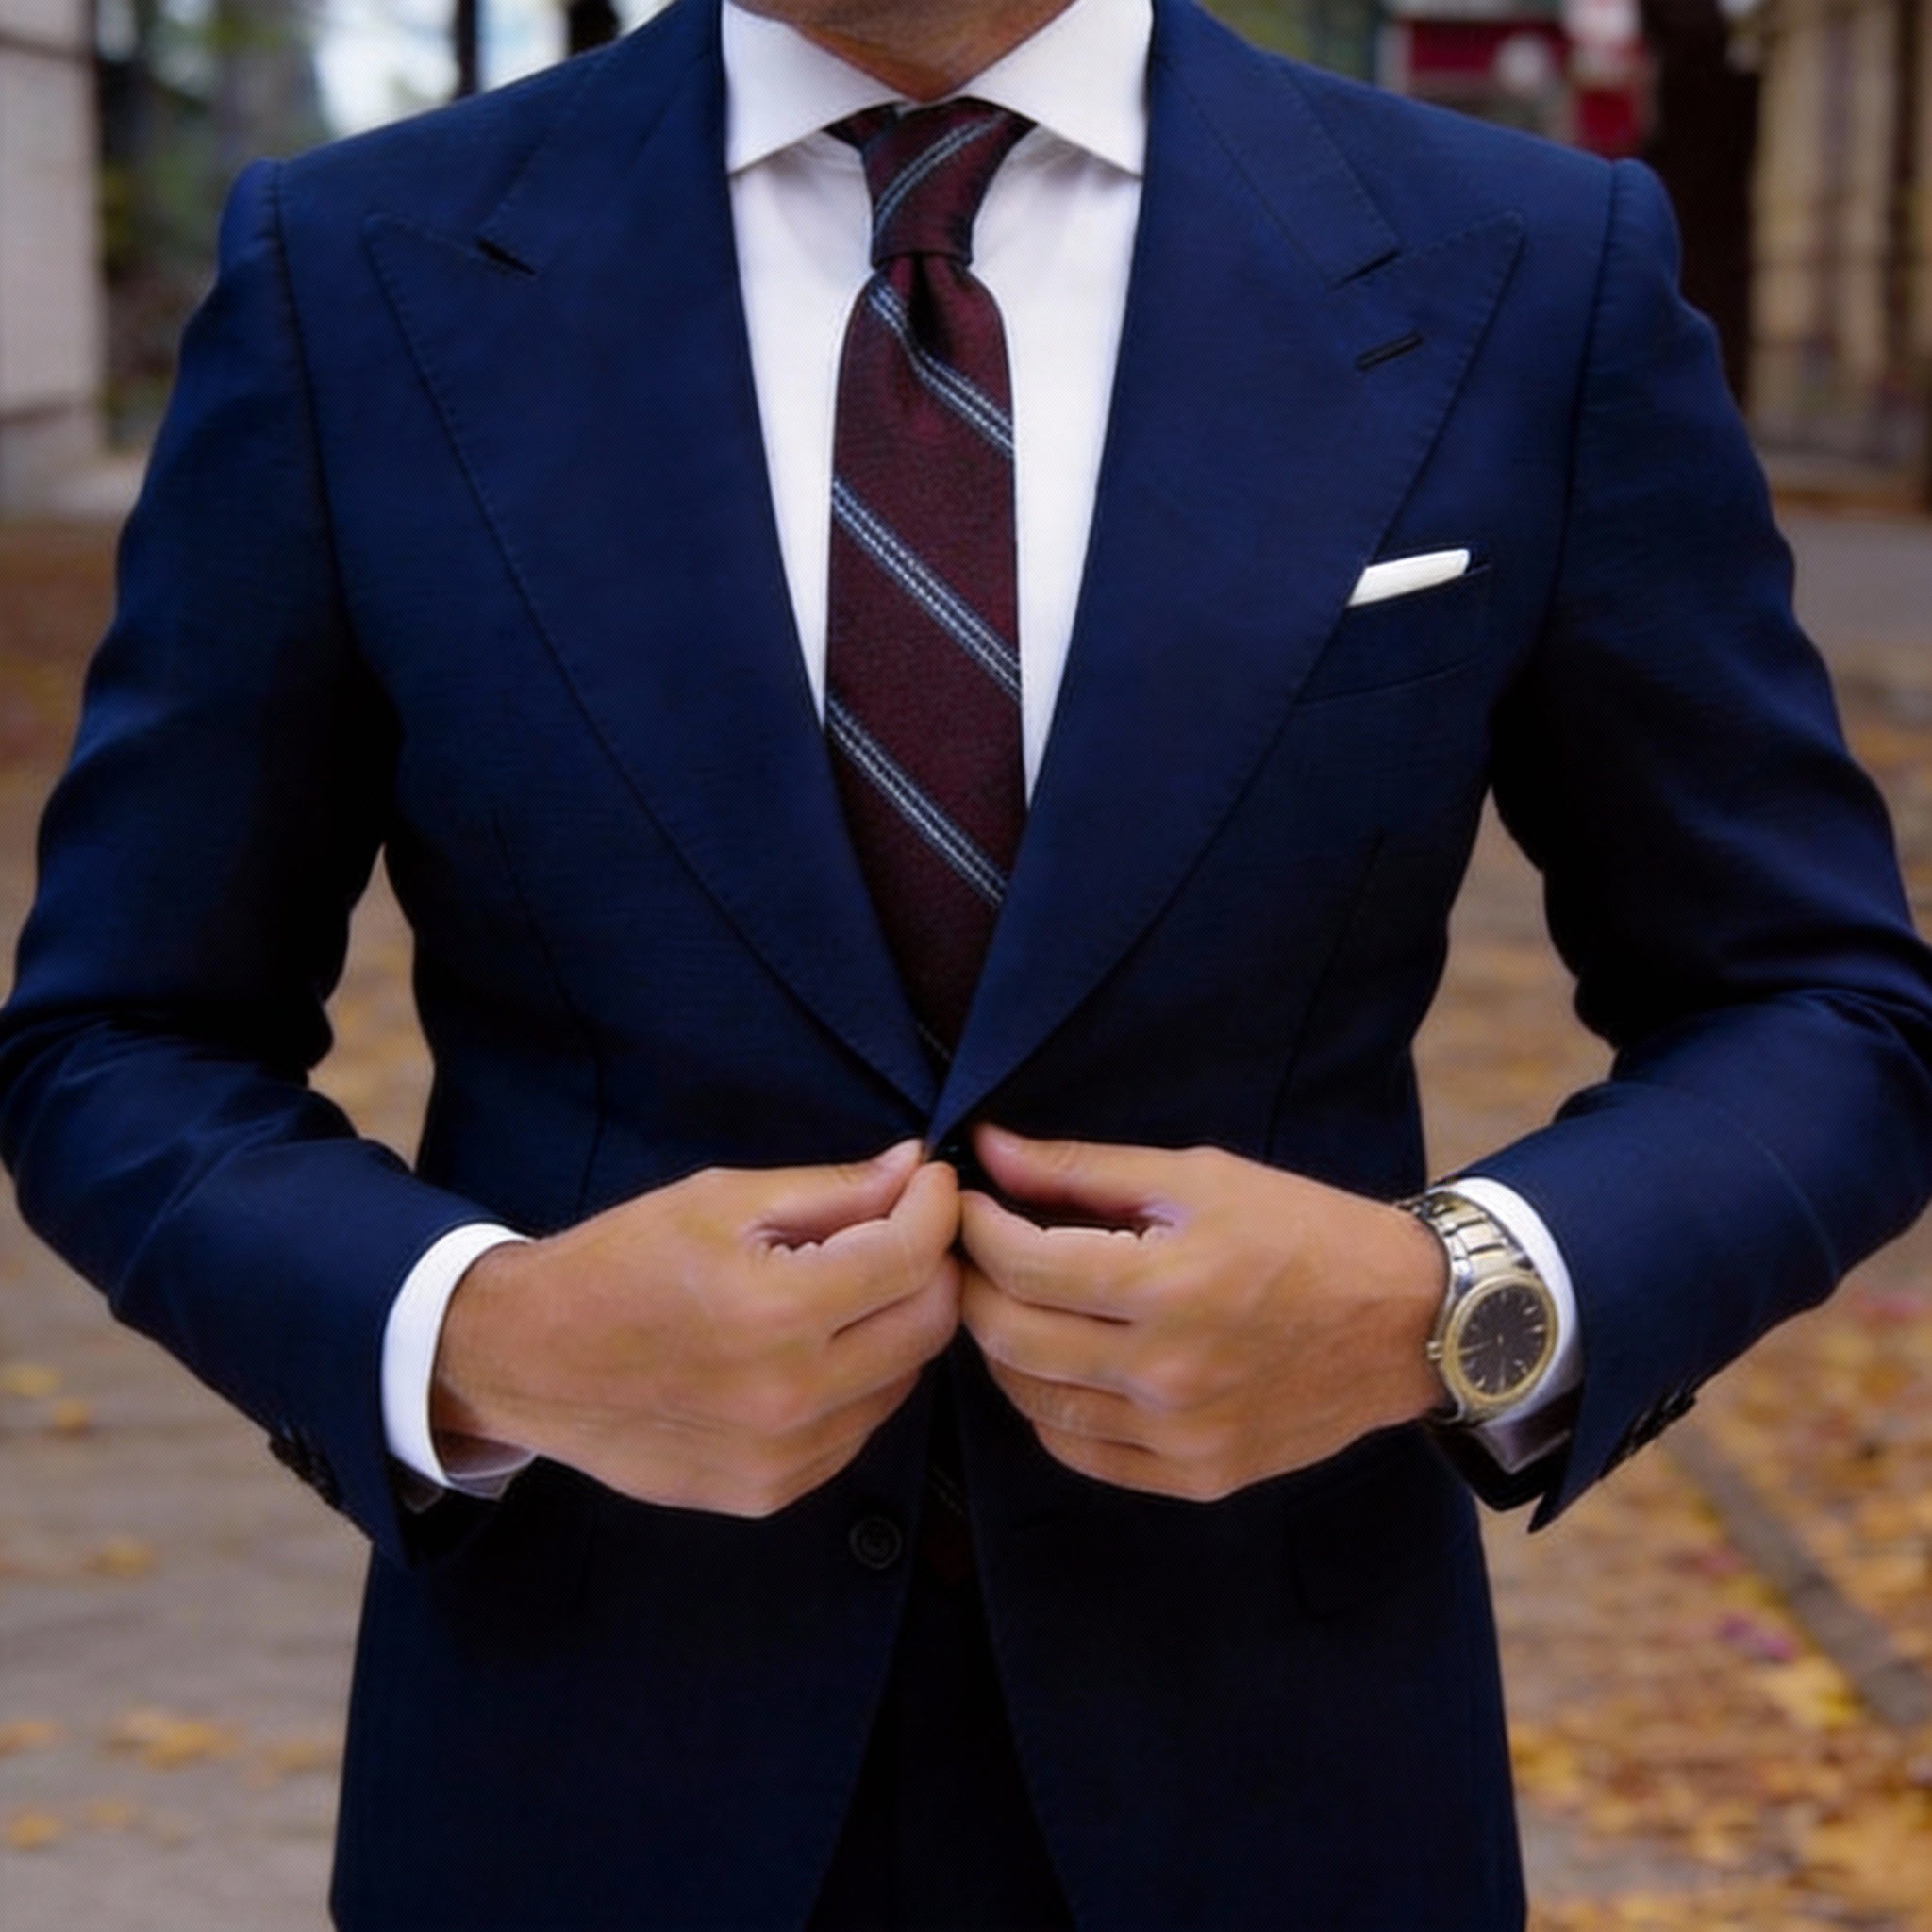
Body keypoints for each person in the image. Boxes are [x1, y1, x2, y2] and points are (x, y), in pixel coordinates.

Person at [4, 0, 1930, 1924]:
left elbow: (1819, 1004)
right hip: (580, 1768)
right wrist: (477, 1338)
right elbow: (119, 1034)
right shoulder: (354, 275)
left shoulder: (1523, 263)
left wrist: (1452, 1300)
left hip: (1280, 1774)